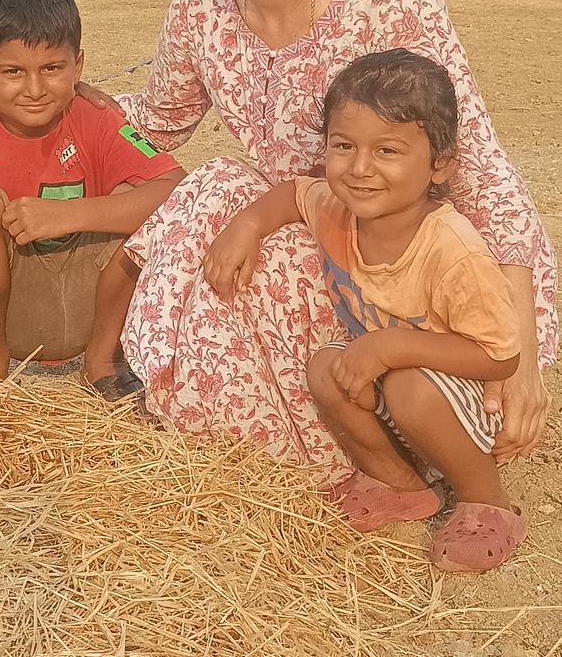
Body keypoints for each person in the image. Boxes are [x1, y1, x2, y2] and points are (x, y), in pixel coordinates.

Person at [115, 0, 556, 483]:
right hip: (303, 219)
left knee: (272, 246)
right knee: (216, 193)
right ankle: (242, 432)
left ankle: (382, 442)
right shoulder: (199, 5)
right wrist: (39, 103)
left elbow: (480, 174)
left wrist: (523, 353)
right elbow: (155, 121)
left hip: (398, 255)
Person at [206, 50, 525, 571]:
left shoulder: (451, 250)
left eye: (388, 150)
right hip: (388, 378)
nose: (359, 169)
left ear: (440, 164)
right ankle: (401, 486)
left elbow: (500, 358)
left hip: (460, 401)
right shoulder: (339, 209)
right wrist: (246, 227)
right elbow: (291, 195)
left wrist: (390, 345)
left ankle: (486, 501)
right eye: (343, 146)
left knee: (407, 385)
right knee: (326, 368)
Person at [0, 0, 185, 397]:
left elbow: (178, 188)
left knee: (142, 202)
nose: (35, 89)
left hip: (84, 303)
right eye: (13, 71)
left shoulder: (97, 119)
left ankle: (103, 361)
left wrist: (67, 215)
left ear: (78, 65)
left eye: (53, 68)